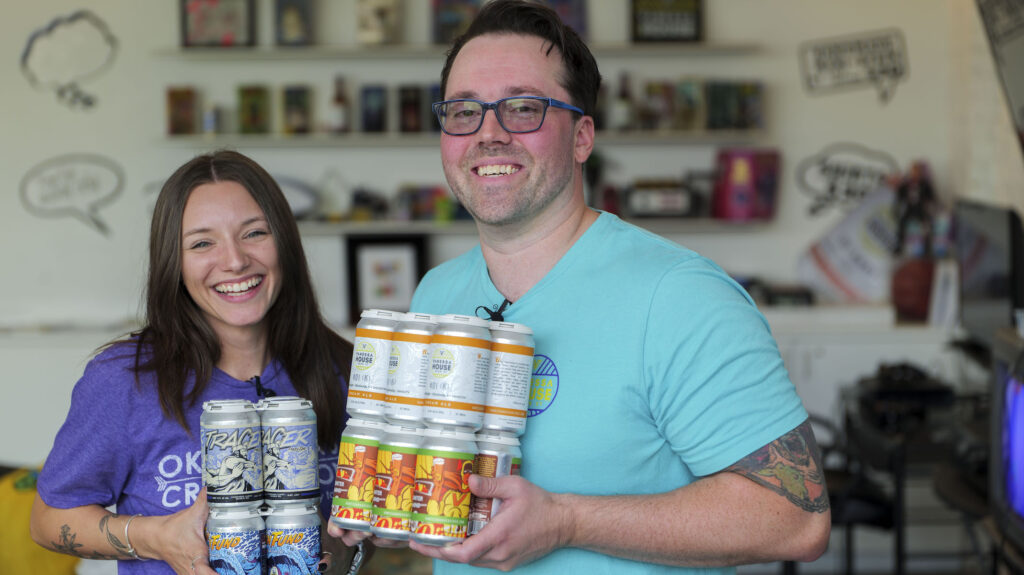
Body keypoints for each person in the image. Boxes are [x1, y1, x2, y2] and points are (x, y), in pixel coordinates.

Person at [328, 1, 831, 573]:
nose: (488, 133)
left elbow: (798, 519)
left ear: (582, 137)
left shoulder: (680, 296)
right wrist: (397, 513)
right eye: (464, 111)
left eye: (523, 108)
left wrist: (568, 520)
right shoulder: (436, 296)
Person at [30, 150, 363, 574]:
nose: (235, 261)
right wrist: (159, 538)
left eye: (255, 233)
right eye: (202, 243)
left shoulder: (347, 369)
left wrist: (340, 552)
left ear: (285, 242)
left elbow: (368, 534)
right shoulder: (125, 380)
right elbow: (47, 522)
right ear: (175, 262)